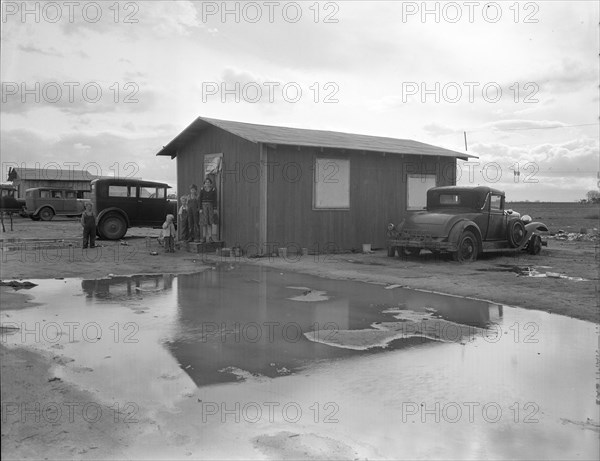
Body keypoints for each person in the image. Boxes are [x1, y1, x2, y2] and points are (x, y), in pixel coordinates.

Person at [199, 178, 217, 243]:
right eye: (206, 182)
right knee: (204, 223)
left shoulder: (213, 190)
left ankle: (210, 237)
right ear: (204, 183)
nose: (207, 183)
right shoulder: (202, 190)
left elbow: (215, 199)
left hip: (210, 206)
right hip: (203, 207)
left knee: (209, 222)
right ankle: (204, 237)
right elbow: (200, 199)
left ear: (210, 183)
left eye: (208, 182)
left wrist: (215, 208)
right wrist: (200, 208)